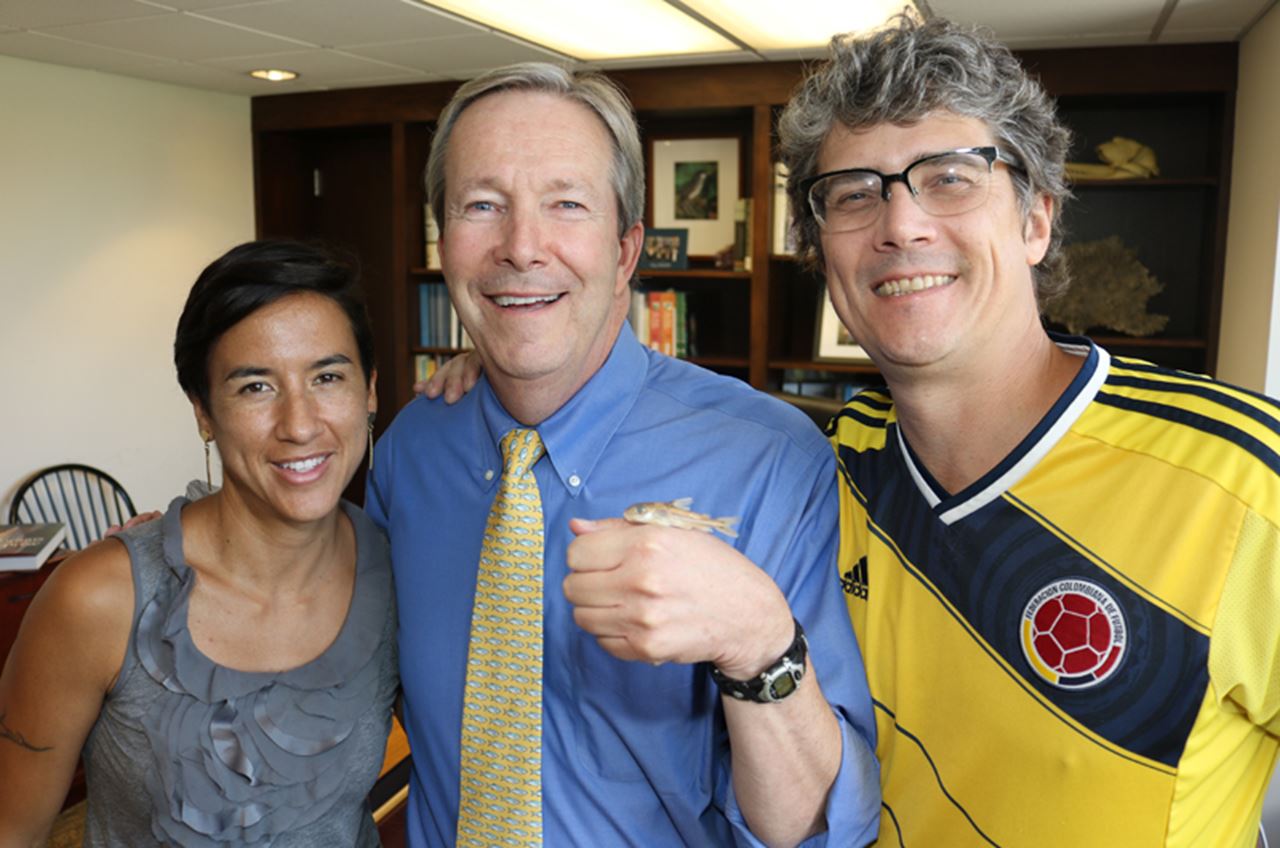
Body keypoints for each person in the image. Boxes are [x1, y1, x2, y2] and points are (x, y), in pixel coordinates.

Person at [776, 14, 1280, 847]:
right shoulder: (818, 470)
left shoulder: (1242, 479)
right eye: (856, 193)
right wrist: (491, 385)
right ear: (823, 255)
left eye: (949, 177)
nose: (900, 225)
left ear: (1036, 220)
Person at [366, 63, 879, 847]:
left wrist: (755, 640)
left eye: (566, 204)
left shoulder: (769, 462)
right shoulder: (412, 449)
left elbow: (813, 831)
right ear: (445, 243)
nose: (521, 247)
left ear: (626, 248)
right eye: (482, 206)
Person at [0, 240, 398, 846]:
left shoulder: (399, 570)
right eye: (255, 387)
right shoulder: (100, 600)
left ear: (369, 391)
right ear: (203, 412)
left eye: (327, 376)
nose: (299, 423)